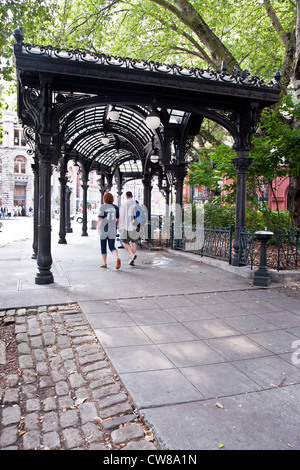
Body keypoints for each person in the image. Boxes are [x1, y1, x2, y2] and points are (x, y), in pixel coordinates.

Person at [97, 192, 121, 270]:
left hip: (104, 228)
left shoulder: (102, 207)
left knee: (103, 246)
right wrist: (116, 227)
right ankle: (117, 257)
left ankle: (104, 263)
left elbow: (100, 219)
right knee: (112, 246)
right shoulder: (116, 207)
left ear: (104, 199)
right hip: (112, 228)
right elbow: (118, 219)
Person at [120, 191, 139, 266]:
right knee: (133, 244)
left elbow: (121, 216)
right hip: (135, 226)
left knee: (124, 242)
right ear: (132, 195)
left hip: (127, 226)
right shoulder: (137, 203)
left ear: (126, 196)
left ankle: (131, 255)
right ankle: (131, 260)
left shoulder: (124, 204)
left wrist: (120, 226)